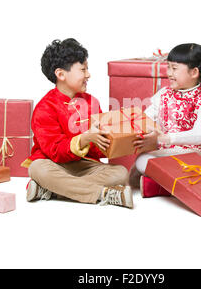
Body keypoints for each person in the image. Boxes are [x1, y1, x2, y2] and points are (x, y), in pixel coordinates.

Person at [22, 38, 132, 208]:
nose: (88, 75)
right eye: (83, 69)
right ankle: (104, 194)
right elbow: (55, 151)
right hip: (54, 164)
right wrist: (85, 138)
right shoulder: (45, 108)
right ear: (61, 74)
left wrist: (119, 139)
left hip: (85, 165)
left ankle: (53, 189)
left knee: (121, 173)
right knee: (37, 169)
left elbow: (100, 146)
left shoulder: (91, 102)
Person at [132, 43, 201, 198]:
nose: (169, 73)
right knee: (142, 160)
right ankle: (189, 185)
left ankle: (161, 187)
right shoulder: (163, 94)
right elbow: (144, 119)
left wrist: (162, 138)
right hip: (165, 156)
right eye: (168, 67)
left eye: (174, 68)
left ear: (194, 72)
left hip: (195, 158)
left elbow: (200, 134)